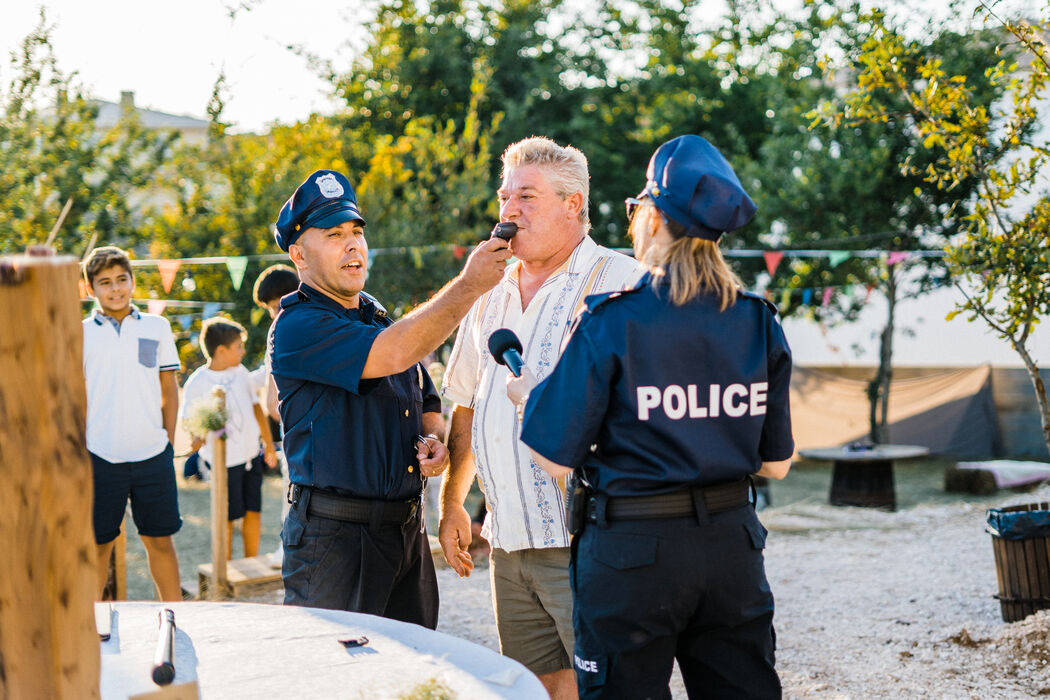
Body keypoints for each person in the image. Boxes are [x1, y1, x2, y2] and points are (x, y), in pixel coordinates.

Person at [507, 134, 794, 699]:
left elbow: (552, 458)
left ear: (656, 218)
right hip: (731, 547)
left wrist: (530, 397)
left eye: (639, 206)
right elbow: (777, 463)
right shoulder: (757, 320)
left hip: (632, 552)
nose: (634, 216)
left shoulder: (614, 320)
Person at [439, 136, 641, 699]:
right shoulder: (487, 288)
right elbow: (465, 402)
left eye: (526, 196)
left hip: (586, 539)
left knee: (608, 687)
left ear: (573, 204)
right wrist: (454, 501)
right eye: (505, 196)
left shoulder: (622, 280)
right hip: (507, 540)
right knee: (537, 687)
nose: (509, 210)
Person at [269, 169, 510, 628]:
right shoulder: (298, 325)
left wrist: (433, 440)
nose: (352, 244)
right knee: (338, 679)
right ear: (299, 254)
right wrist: (470, 283)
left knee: (412, 680)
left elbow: (425, 395)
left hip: (405, 534)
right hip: (335, 540)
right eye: (334, 234)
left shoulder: (373, 315)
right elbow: (398, 352)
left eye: (356, 232)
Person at [82, 245, 183, 601]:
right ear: (91, 289)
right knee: (98, 546)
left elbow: (169, 389)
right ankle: (88, 627)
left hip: (152, 454)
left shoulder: (157, 326)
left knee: (160, 541)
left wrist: (167, 442)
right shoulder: (79, 333)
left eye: (122, 279)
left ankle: (177, 617)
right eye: (105, 282)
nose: (115, 288)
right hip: (100, 455)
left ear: (133, 281)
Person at [180, 317, 277, 558]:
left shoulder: (241, 372)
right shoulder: (198, 382)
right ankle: (226, 566)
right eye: (238, 347)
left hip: (250, 455)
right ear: (221, 351)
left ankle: (250, 561)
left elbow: (256, 407)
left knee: (253, 510)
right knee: (228, 515)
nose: (243, 351)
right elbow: (191, 420)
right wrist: (196, 437)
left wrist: (267, 443)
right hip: (223, 462)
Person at [251, 264, 300, 568]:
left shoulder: (283, 328)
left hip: (296, 427)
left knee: (291, 492)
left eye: (271, 307)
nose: (272, 315)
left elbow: (272, 400)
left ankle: (289, 549)